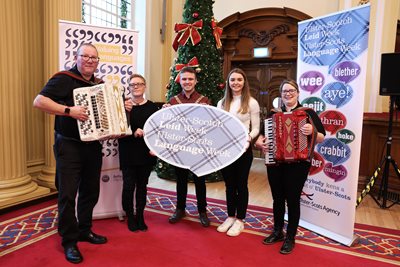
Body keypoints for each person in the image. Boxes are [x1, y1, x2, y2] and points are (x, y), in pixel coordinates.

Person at [33, 43, 107, 264]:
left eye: (94, 57)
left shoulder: (99, 84)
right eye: (86, 56)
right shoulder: (64, 78)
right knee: (67, 194)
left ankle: (84, 229)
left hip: (93, 145)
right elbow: (39, 101)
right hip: (69, 145)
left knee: (90, 191)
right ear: (77, 57)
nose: (90, 60)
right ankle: (69, 241)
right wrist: (69, 111)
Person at [254, 79, 325, 254]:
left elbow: (322, 136)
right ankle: (277, 231)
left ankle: (290, 237)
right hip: (276, 162)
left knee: (292, 200)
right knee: (277, 198)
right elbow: (261, 137)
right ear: (281, 94)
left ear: (298, 93)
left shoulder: (307, 113)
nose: (288, 94)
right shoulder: (273, 114)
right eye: (285, 91)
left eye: (291, 91)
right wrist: (261, 144)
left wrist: (312, 132)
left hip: (298, 164)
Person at [165, 67, 211, 227]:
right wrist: (165, 114)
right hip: (180, 148)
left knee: (200, 180)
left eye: (190, 79)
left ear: (195, 81)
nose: (187, 82)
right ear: (180, 81)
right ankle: (180, 208)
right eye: (184, 79)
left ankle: (202, 211)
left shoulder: (205, 101)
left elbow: (208, 125)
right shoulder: (173, 101)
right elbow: (168, 126)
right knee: (181, 180)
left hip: (198, 149)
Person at [216, 68, 260, 237]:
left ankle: (240, 219)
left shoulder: (251, 102)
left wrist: (249, 138)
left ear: (244, 82)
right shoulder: (221, 103)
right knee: (229, 185)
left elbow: (256, 127)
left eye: (239, 80)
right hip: (226, 150)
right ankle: (230, 216)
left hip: (243, 150)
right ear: (228, 82)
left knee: (241, 185)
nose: (235, 82)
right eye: (232, 79)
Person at [118, 74, 158, 232]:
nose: (136, 87)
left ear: (145, 87)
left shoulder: (153, 107)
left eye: (139, 84)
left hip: (145, 153)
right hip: (128, 151)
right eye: (132, 84)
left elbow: (157, 130)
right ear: (128, 87)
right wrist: (133, 132)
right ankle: (130, 216)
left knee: (142, 186)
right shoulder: (122, 106)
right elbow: (117, 129)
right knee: (128, 186)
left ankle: (140, 215)